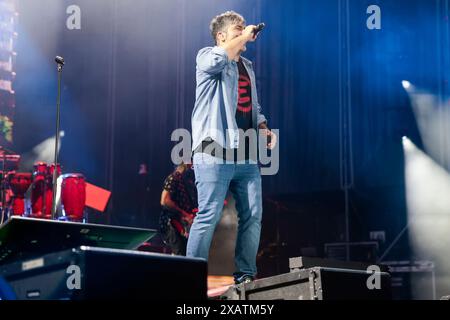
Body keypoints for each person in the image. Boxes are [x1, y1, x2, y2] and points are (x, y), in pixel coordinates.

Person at [187, 11, 277, 284]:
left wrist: (262, 126)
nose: (244, 33)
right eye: (237, 30)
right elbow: (217, 59)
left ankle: (245, 276)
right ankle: (188, 277)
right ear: (221, 36)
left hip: (245, 152)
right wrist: (241, 39)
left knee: (253, 216)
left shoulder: (247, 65)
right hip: (213, 149)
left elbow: (252, 104)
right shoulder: (207, 56)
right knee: (209, 215)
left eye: (244, 30)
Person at [159, 163, 198, 256]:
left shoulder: (189, 182)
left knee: (186, 256)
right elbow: (165, 201)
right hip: (173, 224)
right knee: (179, 255)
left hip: (184, 225)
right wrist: (184, 214)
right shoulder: (173, 178)